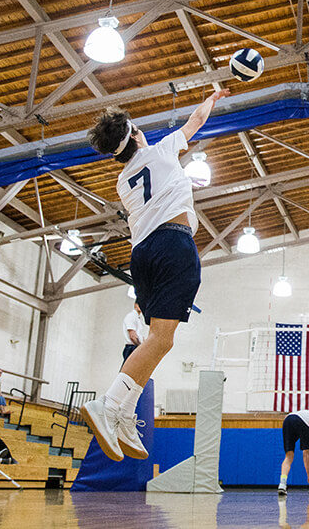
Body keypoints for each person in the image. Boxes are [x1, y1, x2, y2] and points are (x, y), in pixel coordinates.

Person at [82, 89, 230, 462]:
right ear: (135, 134)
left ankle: (125, 413)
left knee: (156, 340)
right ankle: (110, 404)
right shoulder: (162, 149)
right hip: (172, 246)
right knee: (162, 341)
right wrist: (213, 97)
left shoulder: (122, 180)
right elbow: (196, 121)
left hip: (141, 255)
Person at [277, 409, 309, 496]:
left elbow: (305, 456)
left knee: (289, 456)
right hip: (304, 420)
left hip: (288, 420)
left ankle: (282, 484)